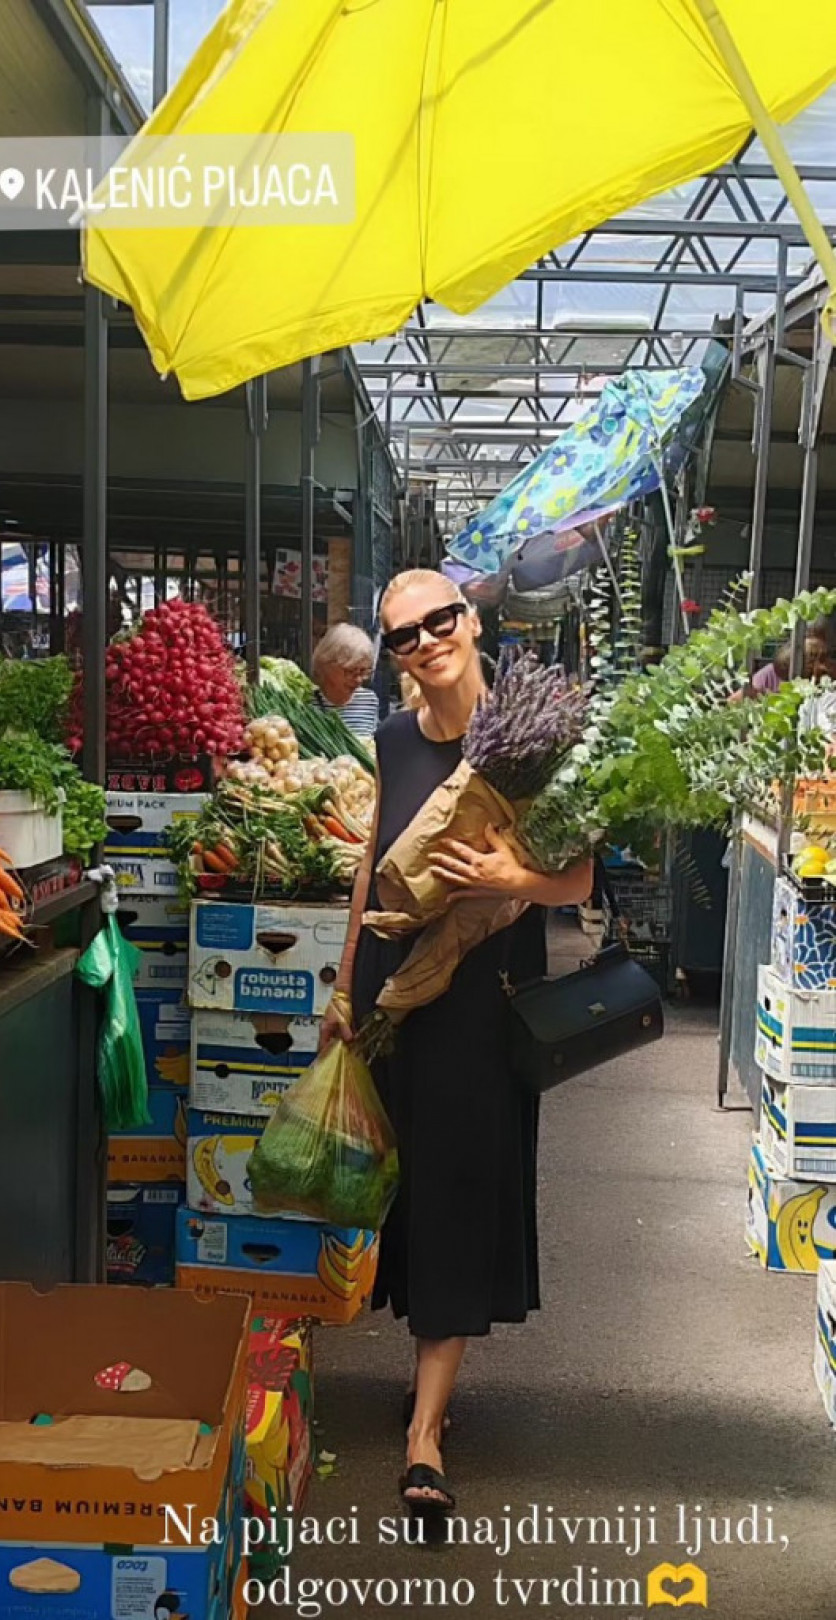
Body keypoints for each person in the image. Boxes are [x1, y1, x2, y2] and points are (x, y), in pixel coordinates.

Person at [320, 569, 592, 1528]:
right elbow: (371, 859)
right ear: (392, 653)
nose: (427, 640)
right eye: (405, 634)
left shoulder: (531, 748)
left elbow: (577, 884)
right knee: (409, 1190)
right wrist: (344, 983)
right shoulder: (396, 739)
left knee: (457, 1195)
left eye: (440, 620)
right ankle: (424, 1368)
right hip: (394, 991)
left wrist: (513, 877)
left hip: (480, 1003)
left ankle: (425, 1435)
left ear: (470, 622)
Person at [311, 623, 380, 737]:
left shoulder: (369, 700)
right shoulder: (306, 703)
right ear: (326, 665)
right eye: (351, 671)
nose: (358, 679)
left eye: (363, 671)